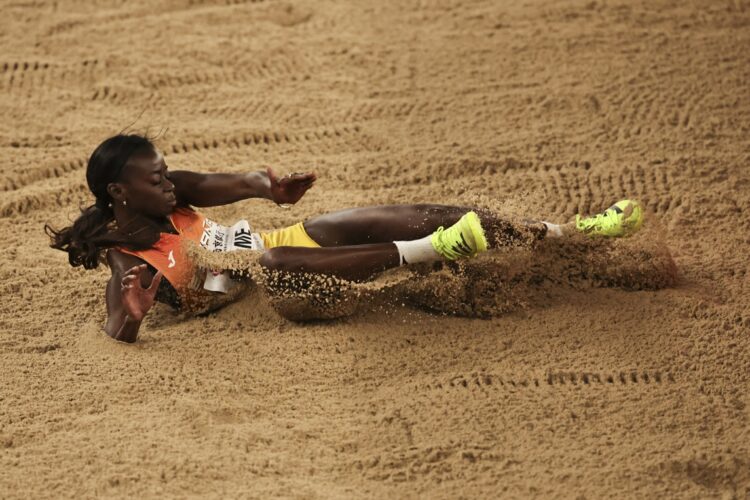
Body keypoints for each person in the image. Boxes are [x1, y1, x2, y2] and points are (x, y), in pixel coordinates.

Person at [45, 134, 644, 343]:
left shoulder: (173, 191)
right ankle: (436, 251)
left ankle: (562, 233)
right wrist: (130, 315)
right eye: (155, 177)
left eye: (165, 170)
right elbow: (117, 327)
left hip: (278, 244)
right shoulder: (127, 257)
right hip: (273, 294)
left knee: (387, 213)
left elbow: (233, 183)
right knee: (273, 262)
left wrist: (269, 187)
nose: (168, 180)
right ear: (121, 193)